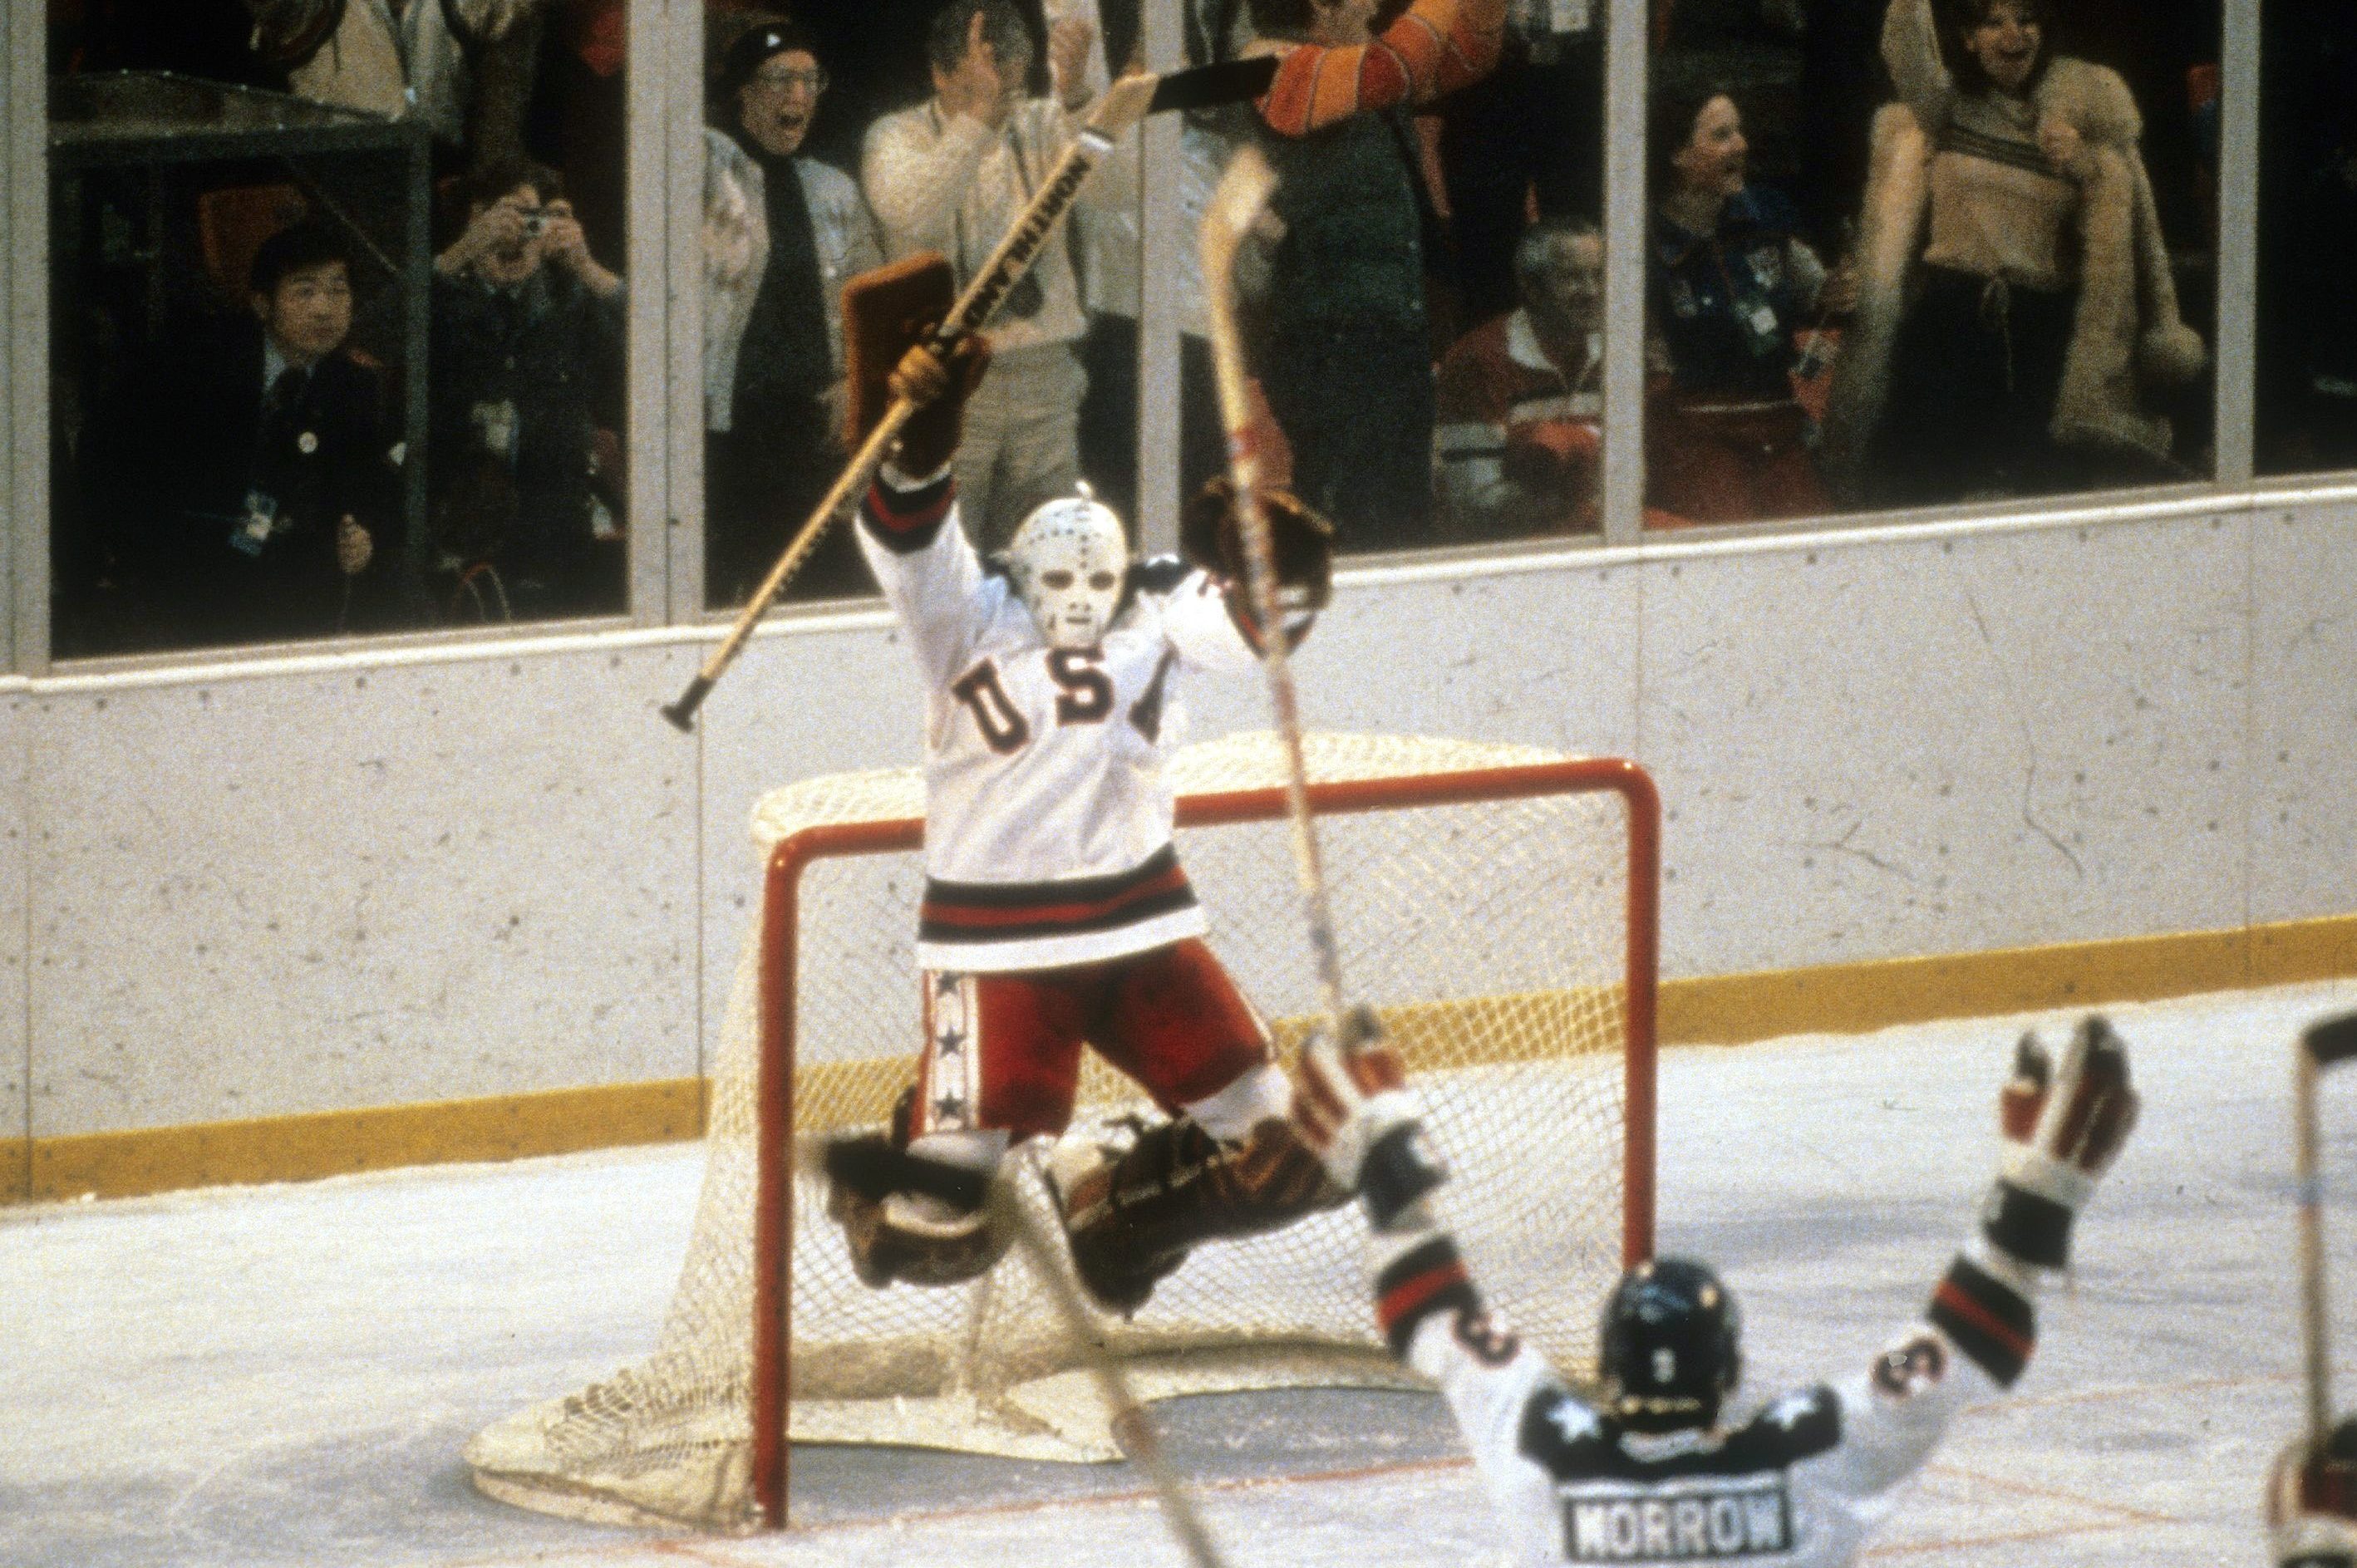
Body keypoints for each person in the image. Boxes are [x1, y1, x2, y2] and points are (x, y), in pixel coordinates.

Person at [822, 310, 1346, 1316]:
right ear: (1020, 575)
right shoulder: (965, 616)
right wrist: (922, 447)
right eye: (1057, 578)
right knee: (934, 1232)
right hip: (996, 947)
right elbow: (906, 537)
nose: (1079, 595)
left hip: (1143, 927)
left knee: (1291, 1159)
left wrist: (1275, 570)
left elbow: (1251, 632)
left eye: (1095, 578)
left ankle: (1113, 1212)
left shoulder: (1155, 604)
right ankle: (894, 1154)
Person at [1291, 1012, 2139, 1566]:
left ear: (1609, 1367)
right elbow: (1964, 1350)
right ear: (1728, 1370)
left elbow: (1437, 1319)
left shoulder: (1547, 1452)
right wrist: (2031, 1210)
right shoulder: (1808, 1453)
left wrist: (1391, 1178)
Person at [1820, 0, 2206, 508]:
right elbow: (1904, 42)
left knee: (2042, 500)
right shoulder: (1945, 107)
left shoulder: (2081, 116)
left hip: (2041, 334)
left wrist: (2086, 165)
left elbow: (2127, 234)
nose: (2013, 36)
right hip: (1949, 328)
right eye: (1994, 22)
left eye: (2026, 20)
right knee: (1926, 495)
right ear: (1968, 38)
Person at [1242, 0, 1505, 550]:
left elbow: (1472, 54)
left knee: (1400, 519)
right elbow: (1394, 69)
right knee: (1349, 523)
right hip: (1328, 341)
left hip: (1390, 334)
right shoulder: (1268, 64)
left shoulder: (1362, 62)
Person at [76, 219, 398, 651]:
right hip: (183, 578)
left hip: (287, 588)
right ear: (263, 305)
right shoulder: (196, 364)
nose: (325, 309)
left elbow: (369, 487)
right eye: (305, 291)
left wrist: (363, 536)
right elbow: (111, 452)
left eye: (338, 291)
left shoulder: (354, 385)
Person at [861, 0, 1107, 551]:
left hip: (1045, 377)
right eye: (980, 86)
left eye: (1011, 88)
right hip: (949, 384)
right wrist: (978, 120)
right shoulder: (894, 135)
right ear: (939, 73)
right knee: (947, 554)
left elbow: (1116, 198)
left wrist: (1077, 100)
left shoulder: (1041, 122)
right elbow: (913, 212)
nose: (1002, 101)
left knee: (1050, 556)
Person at [704, 17, 884, 606]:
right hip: (730, 429)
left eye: (810, 80)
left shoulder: (834, 189)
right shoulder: (709, 173)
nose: (799, 94)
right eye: (780, 78)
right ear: (742, 91)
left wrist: (855, 383)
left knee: (817, 587)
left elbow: (870, 300)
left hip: (810, 426)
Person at [428, 158, 627, 619]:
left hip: (557, 536)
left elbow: (662, 355)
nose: (514, 236)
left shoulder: (570, 299)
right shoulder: (440, 297)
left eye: (530, 220)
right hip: (462, 534)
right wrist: (460, 252)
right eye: (499, 218)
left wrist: (588, 268)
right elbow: (372, 336)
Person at [1645, 86, 1847, 524]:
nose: (1742, 145)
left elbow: (1820, 292)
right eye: (1722, 135)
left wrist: (1842, 289)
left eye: (1739, 131)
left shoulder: (1766, 215)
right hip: (1693, 429)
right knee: (1726, 538)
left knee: (1814, 537)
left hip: (1777, 419)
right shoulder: (1643, 242)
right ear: (1678, 154)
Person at [1434, 217, 1605, 538]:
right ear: (1532, 288)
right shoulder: (1481, 359)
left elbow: (1631, 477)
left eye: (1599, 275)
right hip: (1504, 547)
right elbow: (1472, 502)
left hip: (1587, 531)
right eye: (1572, 278)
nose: (1592, 291)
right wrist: (1573, 504)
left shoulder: (1614, 351)